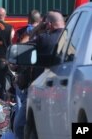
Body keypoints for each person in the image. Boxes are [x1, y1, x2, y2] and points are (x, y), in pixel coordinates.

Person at [12, 11, 65, 139]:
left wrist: (39, 27)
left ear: (49, 24)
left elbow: (23, 50)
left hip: (41, 89)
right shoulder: (75, 37)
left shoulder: (44, 38)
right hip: (69, 88)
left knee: (19, 126)